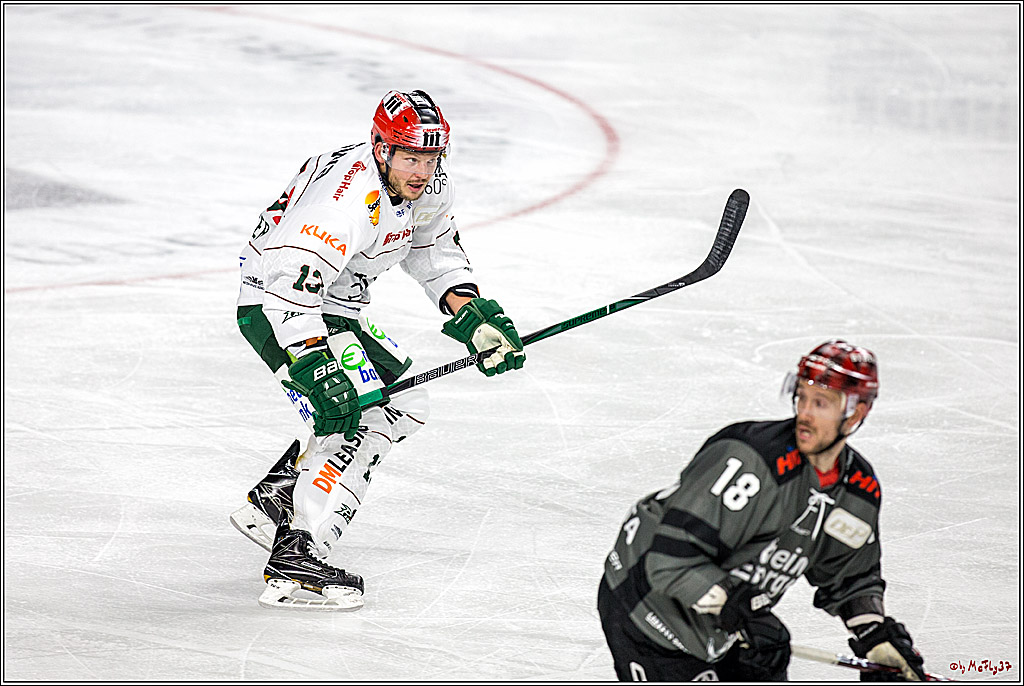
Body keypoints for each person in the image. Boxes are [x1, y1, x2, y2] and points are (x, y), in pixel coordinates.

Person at [230, 89, 526, 610]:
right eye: (410, 156)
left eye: (431, 155)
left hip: (337, 306)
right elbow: (287, 285)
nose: (422, 169)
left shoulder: (426, 187)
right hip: (282, 306)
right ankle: (298, 555)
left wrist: (471, 315)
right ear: (382, 150)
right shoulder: (345, 200)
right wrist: (314, 363)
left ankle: (280, 496)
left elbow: (432, 251)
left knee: (403, 404)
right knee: (352, 413)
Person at [597, 340, 928, 681]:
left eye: (821, 402)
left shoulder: (858, 490)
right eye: (802, 396)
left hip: (724, 622)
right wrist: (738, 609)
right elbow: (670, 559)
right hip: (644, 604)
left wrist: (874, 637)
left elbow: (851, 577)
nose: (806, 412)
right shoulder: (750, 461)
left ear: (855, 412)